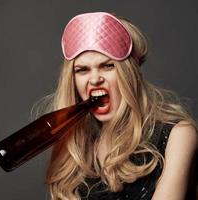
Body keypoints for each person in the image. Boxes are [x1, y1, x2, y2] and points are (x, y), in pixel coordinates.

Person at [37, 12, 198, 199]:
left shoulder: (178, 136)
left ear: (129, 74)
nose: (95, 79)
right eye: (82, 70)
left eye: (108, 66)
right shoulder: (78, 156)